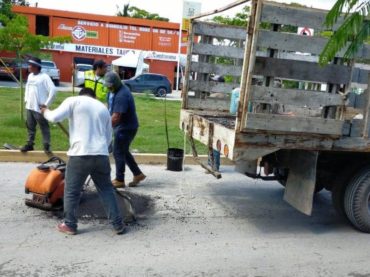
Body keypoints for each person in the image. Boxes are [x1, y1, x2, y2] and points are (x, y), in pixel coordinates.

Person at [41, 87, 125, 235]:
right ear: (93, 97)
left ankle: (70, 224)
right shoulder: (103, 108)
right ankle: (118, 224)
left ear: (81, 95)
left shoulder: (73, 101)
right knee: (106, 190)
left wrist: (45, 111)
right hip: (101, 155)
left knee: (72, 191)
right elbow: (107, 137)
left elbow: (54, 117)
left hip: (80, 154)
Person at [104, 72, 146, 188]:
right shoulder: (114, 91)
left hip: (126, 128)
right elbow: (110, 108)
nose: (108, 87)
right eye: (107, 85)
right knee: (123, 151)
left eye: (110, 85)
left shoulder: (122, 95)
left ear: (116, 83)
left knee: (118, 151)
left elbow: (116, 117)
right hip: (123, 126)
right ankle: (138, 174)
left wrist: (104, 129)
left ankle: (119, 179)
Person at [21, 57, 57, 154]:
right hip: (29, 107)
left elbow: (53, 90)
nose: (29, 67)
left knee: (44, 127)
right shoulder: (30, 76)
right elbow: (27, 88)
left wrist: (46, 104)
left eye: (30, 65)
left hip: (40, 109)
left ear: (36, 66)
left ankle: (46, 146)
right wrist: (26, 99)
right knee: (30, 127)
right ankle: (30, 144)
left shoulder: (44, 77)